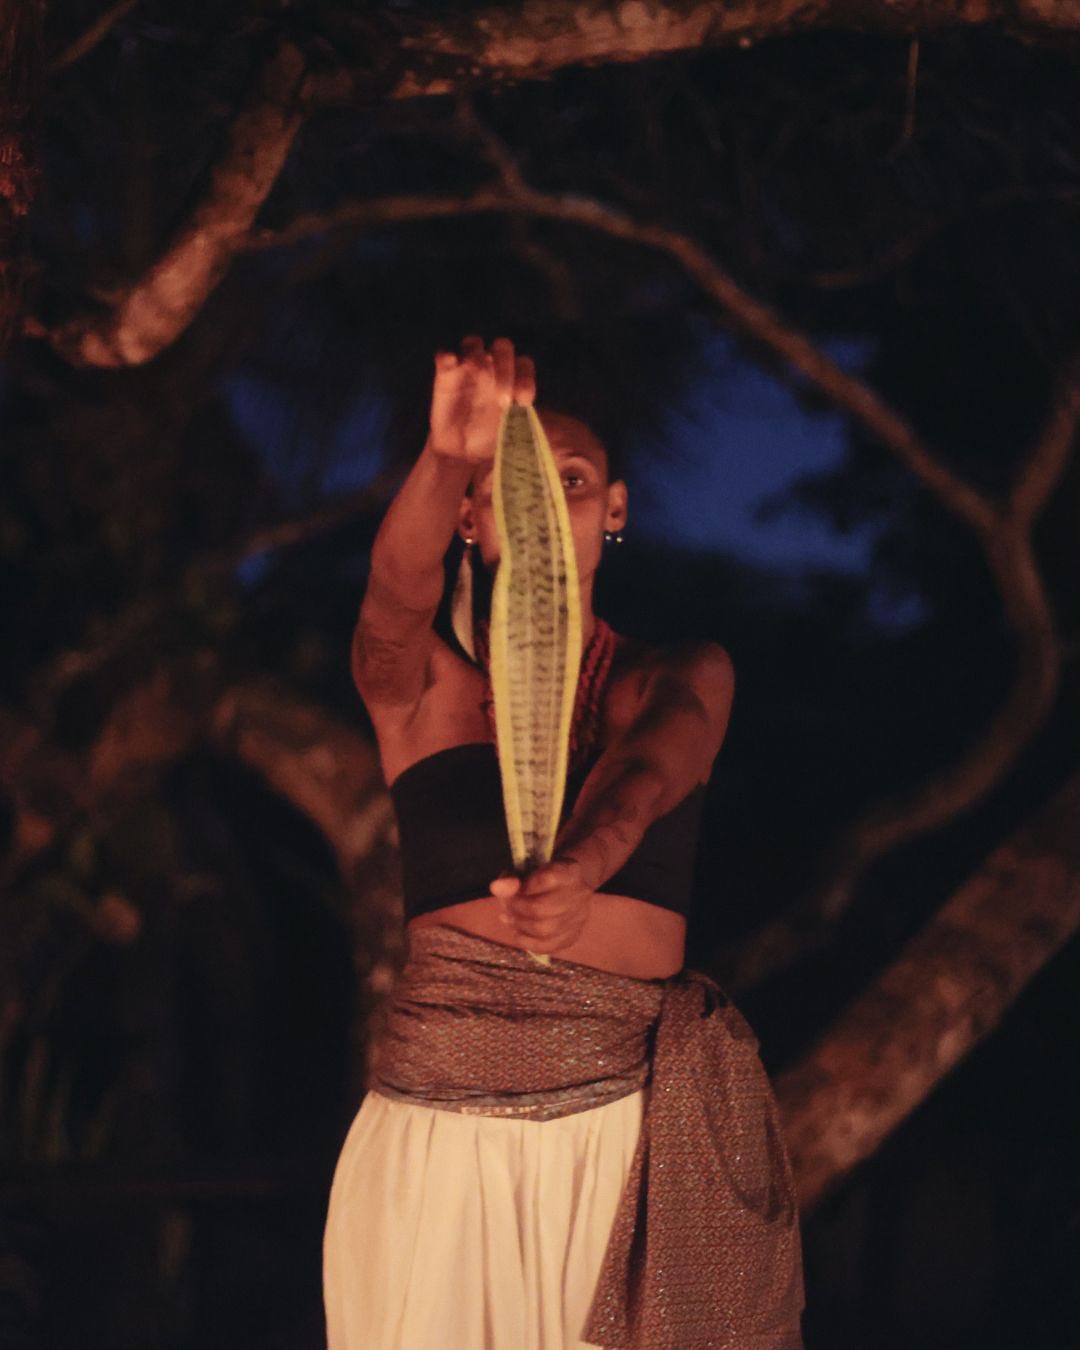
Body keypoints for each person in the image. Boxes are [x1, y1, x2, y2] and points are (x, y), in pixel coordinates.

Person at [322, 336, 805, 1349]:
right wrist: (446, 453)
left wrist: (584, 865)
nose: (544, 502)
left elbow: (646, 773)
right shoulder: (426, 700)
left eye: (572, 480)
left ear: (614, 508)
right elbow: (391, 603)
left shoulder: (676, 674)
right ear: (471, 516)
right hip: (439, 1134)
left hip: (621, 1133)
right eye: (505, 487)